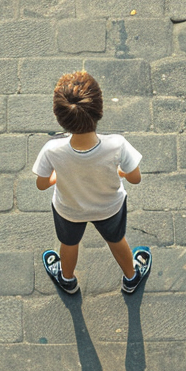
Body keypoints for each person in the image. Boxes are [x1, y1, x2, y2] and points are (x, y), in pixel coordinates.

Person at [33, 71, 151, 296]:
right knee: (116, 240)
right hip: (109, 208)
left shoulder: (52, 150)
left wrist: (61, 175)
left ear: (60, 117)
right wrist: (119, 172)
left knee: (68, 244)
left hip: (69, 210)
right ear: (99, 110)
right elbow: (135, 177)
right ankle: (131, 277)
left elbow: (42, 184)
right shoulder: (117, 144)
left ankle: (67, 280)